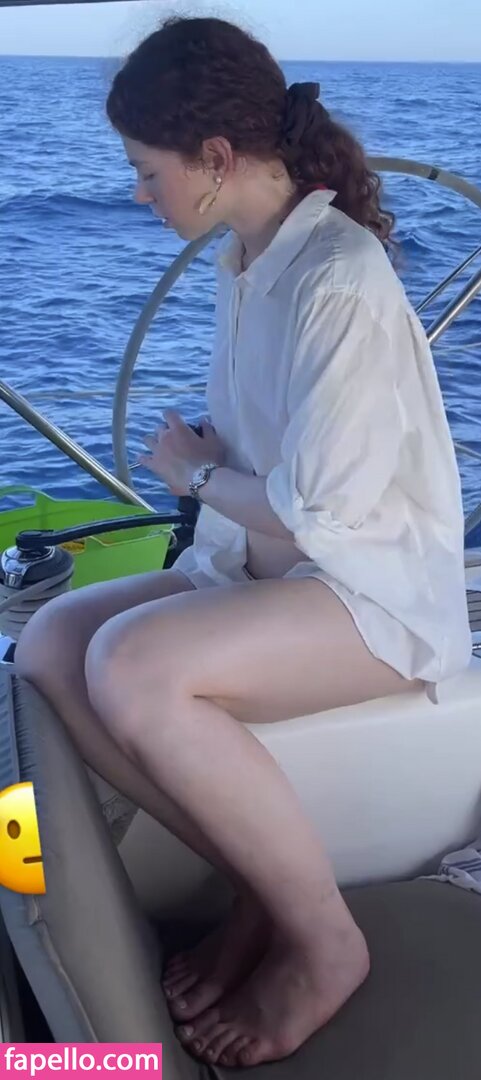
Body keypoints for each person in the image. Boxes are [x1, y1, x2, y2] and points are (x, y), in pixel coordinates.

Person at [16, 14, 471, 1069]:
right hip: (271, 570)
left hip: (366, 594)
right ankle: (259, 888)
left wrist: (191, 475)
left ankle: (322, 938)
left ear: (216, 158)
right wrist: (218, 461)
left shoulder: (337, 276)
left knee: (133, 667)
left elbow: (325, 513)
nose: (140, 194)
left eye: (147, 170)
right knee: (48, 648)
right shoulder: (249, 259)